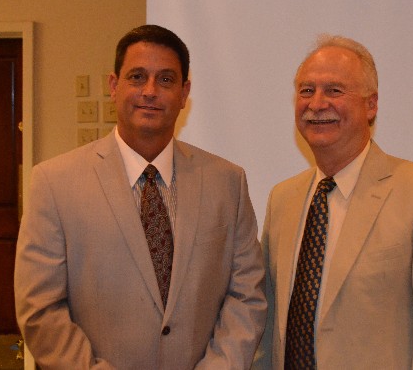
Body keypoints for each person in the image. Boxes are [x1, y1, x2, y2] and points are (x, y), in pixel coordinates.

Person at [15, 24, 266, 369]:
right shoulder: (55, 183)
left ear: (184, 92)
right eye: (137, 77)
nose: (150, 91)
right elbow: (40, 308)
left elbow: (247, 295)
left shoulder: (228, 183)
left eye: (165, 80)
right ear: (114, 86)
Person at [253, 35, 413, 369]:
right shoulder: (283, 199)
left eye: (334, 90)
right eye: (306, 90)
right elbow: (268, 330)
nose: (316, 103)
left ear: (371, 105)